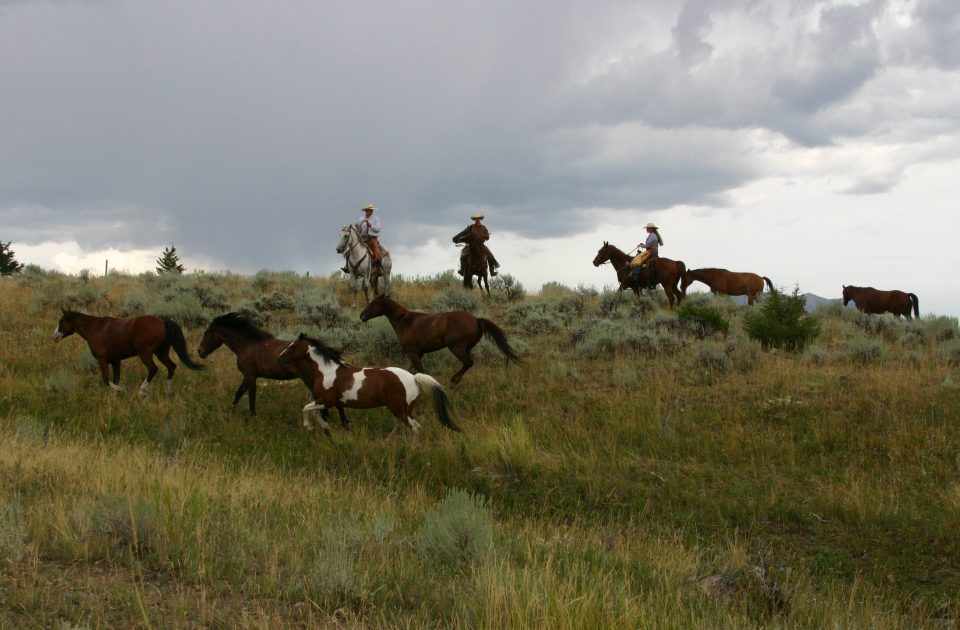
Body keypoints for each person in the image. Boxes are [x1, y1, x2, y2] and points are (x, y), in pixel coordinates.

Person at [626, 222, 663, 288]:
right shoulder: (652, 235)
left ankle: (635, 275)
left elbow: (648, 245)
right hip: (650, 251)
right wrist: (643, 245)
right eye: (647, 228)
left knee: (638, 260)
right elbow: (649, 245)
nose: (646, 229)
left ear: (651, 229)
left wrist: (641, 245)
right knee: (638, 257)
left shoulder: (653, 236)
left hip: (651, 252)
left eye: (648, 228)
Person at [353, 203, 383, 276]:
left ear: (372, 211)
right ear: (365, 211)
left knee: (376, 251)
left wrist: (371, 226)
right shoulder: (361, 219)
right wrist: (356, 227)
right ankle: (348, 266)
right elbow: (358, 228)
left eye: (370, 210)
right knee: (352, 247)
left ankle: (378, 268)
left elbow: (378, 229)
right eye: (367, 210)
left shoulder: (376, 219)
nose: (369, 211)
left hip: (372, 238)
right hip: (362, 238)